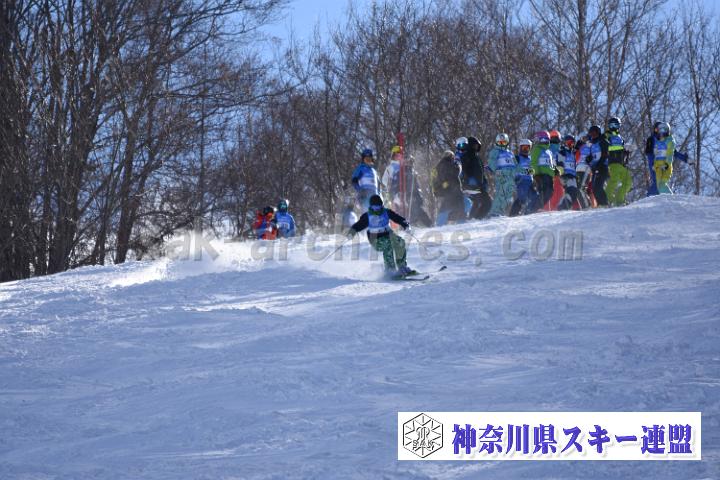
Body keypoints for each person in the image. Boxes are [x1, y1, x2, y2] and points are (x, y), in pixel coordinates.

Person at [346, 194, 415, 277]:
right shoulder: (367, 216)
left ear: (382, 205)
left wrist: (405, 225)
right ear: (371, 207)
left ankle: (402, 266)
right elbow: (358, 225)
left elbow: (398, 218)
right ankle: (390, 269)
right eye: (374, 207)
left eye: (378, 207)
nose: (377, 209)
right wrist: (351, 232)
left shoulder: (386, 212)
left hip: (388, 234)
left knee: (400, 242)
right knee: (388, 245)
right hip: (375, 239)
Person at [457, 136, 492, 219]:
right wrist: (469, 183)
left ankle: (472, 219)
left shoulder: (474, 156)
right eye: (474, 146)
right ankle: (477, 218)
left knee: (476, 203)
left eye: (477, 146)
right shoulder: (468, 156)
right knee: (487, 202)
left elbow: (479, 171)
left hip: (475, 185)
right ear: (470, 146)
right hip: (473, 185)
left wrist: (483, 182)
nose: (476, 147)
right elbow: (466, 171)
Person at [603, 117, 632, 206]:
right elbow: (604, 145)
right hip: (612, 162)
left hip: (621, 163)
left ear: (619, 126)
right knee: (614, 180)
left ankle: (619, 199)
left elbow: (621, 149)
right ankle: (607, 199)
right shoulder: (607, 135)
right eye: (611, 125)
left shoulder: (620, 138)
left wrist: (626, 150)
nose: (613, 127)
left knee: (628, 182)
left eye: (615, 125)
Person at [431, 150, 466, 226]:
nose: (453, 159)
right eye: (453, 157)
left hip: (444, 190)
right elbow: (456, 172)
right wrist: (458, 165)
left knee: (446, 207)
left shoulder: (439, 165)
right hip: (452, 189)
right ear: (451, 156)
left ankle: (440, 223)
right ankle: (461, 223)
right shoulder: (448, 164)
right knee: (460, 205)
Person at [487, 133, 517, 216]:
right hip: (501, 175)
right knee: (501, 193)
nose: (501, 144)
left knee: (508, 196)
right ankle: (494, 212)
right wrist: (497, 171)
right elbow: (491, 162)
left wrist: (517, 173)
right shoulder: (495, 151)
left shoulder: (510, 153)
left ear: (507, 142)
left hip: (510, 178)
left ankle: (500, 211)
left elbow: (514, 165)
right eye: (499, 142)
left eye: (503, 142)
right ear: (496, 143)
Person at [510, 139, 539, 216]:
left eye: (527, 148)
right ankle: (513, 214)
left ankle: (528, 212)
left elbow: (533, 170)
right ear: (520, 148)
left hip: (530, 182)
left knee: (535, 196)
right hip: (521, 181)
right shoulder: (517, 158)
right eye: (523, 148)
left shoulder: (531, 159)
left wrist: (535, 178)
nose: (525, 150)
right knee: (522, 198)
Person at [402, 155, 433, 227]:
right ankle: (423, 224)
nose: (410, 163)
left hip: (416, 193)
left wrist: (419, 194)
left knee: (417, 209)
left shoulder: (412, 171)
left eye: (411, 162)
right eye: (409, 162)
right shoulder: (404, 172)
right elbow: (404, 184)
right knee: (416, 210)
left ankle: (423, 224)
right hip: (410, 194)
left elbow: (417, 184)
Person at [646, 121, 677, 194]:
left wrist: (667, 164)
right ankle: (663, 198)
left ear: (667, 131)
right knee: (658, 184)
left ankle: (671, 197)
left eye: (664, 130)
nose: (662, 132)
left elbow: (670, 153)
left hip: (665, 165)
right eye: (660, 130)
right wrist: (654, 165)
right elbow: (655, 154)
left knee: (662, 184)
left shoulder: (669, 141)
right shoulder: (657, 141)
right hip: (658, 166)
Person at [530, 130, 556, 210]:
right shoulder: (537, 149)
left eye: (546, 140)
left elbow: (551, 164)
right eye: (541, 140)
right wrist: (536, 174)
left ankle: (538, 207)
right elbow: (533, 162)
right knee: (543, 193)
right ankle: (535, 208)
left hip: (549, 176)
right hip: (541, 175)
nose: (544, 142)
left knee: (550, 193)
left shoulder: (549, 151)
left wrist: (555, 171)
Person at [556, 135, 580, 210]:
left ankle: (564, 206)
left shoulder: (572, 154)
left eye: (572, 143)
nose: (570, 145)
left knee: (574, 193)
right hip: (566, 175)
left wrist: (576, 175)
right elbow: (560, 164)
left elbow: (574, 166)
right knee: (571, 191)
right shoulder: (562, 152)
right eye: (568, 143)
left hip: (572, 176)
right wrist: (562, 175)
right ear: (564, 143)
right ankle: (562, 206)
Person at [588, 124, 609, 207]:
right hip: (595, 168)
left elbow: (605, 155)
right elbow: (593, 155)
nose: (593, 135)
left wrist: (599, 165)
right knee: (594, 188)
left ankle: (604, 203)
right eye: (591, 134)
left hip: (602, 167)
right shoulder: (592, 144)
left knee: (598, 187)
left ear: (598, 133)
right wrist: (589, 159)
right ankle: (601, 204)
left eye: (594, 133)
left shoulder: (603, 141)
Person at [574, 132, 593, 209]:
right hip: (578, 169)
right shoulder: (581, 147)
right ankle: (585, 206)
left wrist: (591, 159)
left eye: (585, 138)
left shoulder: (591, 146)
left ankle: (587, 206)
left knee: (581, 188)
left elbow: (595, 155)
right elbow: (576, 158)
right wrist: (576, 149)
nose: (584, 140)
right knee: (578, 189)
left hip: (586, 169)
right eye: (582, 139)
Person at [381, 145, 403, 210]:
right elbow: (384, 180)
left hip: (402, 190)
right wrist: (389, 182)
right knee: (391, 205)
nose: (398, 157)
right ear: (393, 156)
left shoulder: (403, 167)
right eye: (397, 155)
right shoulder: (390, 167)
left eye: (400, 155)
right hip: (392, 191)